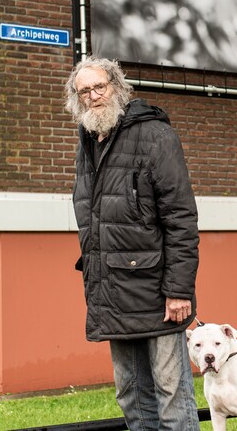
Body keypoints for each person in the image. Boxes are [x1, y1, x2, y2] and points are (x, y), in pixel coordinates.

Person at [64, 57, 200, 431]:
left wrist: (179, 289)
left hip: (158, 293)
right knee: (130, 394)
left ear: (118, 87)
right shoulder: (88, 140)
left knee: (172, 395)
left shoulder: (156, 135)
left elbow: (181, 218)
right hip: (112, 290)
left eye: (99, 87)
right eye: (84, 91)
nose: (93, 96)